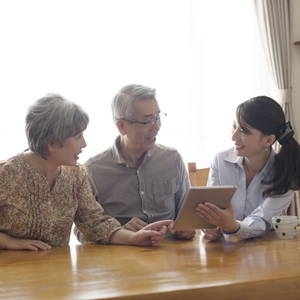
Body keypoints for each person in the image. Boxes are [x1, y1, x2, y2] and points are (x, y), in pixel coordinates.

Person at [0, 94, 172, 251]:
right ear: (51, 143)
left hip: (56, 274)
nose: (84, 144)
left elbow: (94, 223)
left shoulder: (75, 174)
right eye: (77, 137)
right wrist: (8, 242)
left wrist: (133, 238)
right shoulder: (6, 175)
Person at [77, 84, 195, 240]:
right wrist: (121, 232)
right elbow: (82, 233)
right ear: (122, 126)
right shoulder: (93, 170)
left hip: (170, 255)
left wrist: (188, 228)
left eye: (158, 118)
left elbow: (188, 216)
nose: (157, 127)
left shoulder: (172, 159)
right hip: (121, 257)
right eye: (148, 122)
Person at [196, 95, 300, 241]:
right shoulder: (221, 161)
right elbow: (211, 211)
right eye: (234, 126)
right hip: (225, 253)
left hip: (268, 252)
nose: (234, 136)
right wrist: (210, 227)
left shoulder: (286, 173)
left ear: (268, 140)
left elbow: (263, 220)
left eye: (244, 131)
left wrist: (233, 226)